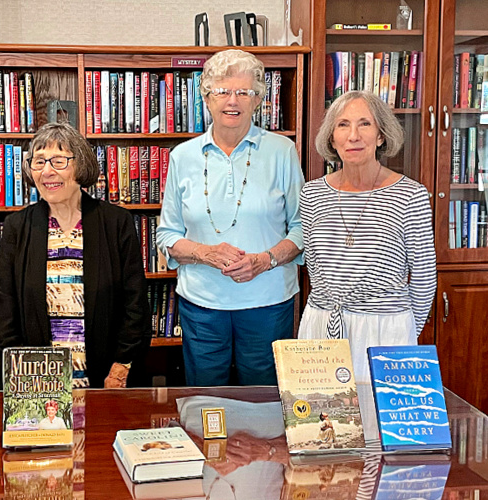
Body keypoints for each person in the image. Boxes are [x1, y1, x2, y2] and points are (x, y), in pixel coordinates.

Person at [156, 49, 305, 386]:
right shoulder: (183, 156)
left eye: (244, 92)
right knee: (207, 403)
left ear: (258, 100)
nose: (232, 100)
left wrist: (265, 260)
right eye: (223, 91)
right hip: (202, 307)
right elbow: (166, 235)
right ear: (207, 98)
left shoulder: (282, 151)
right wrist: (205, 253)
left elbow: (301, 229)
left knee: (265, 402)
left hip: (268, 304)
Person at [0, 122, 150, 389]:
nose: (47, 171)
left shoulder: (116, 223)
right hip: (37, 384)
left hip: (107, 379)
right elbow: (5, 308)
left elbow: (135, 303)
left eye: (59, 161)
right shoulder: (17, 227)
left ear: (81, 166)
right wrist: (20, 375)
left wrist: (121, 367)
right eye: (39, 162)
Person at [299, 90, 436, 383]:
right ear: (332, 138)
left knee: (381, 424)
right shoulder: (312, 195)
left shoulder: (410, 196)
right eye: (343, 125)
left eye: (365, 124)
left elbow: (424, 278)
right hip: (321, 326)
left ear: (381, 136)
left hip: (387, 331)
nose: (353, 135)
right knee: (320, 424)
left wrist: (404, 331)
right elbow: (315, 270)